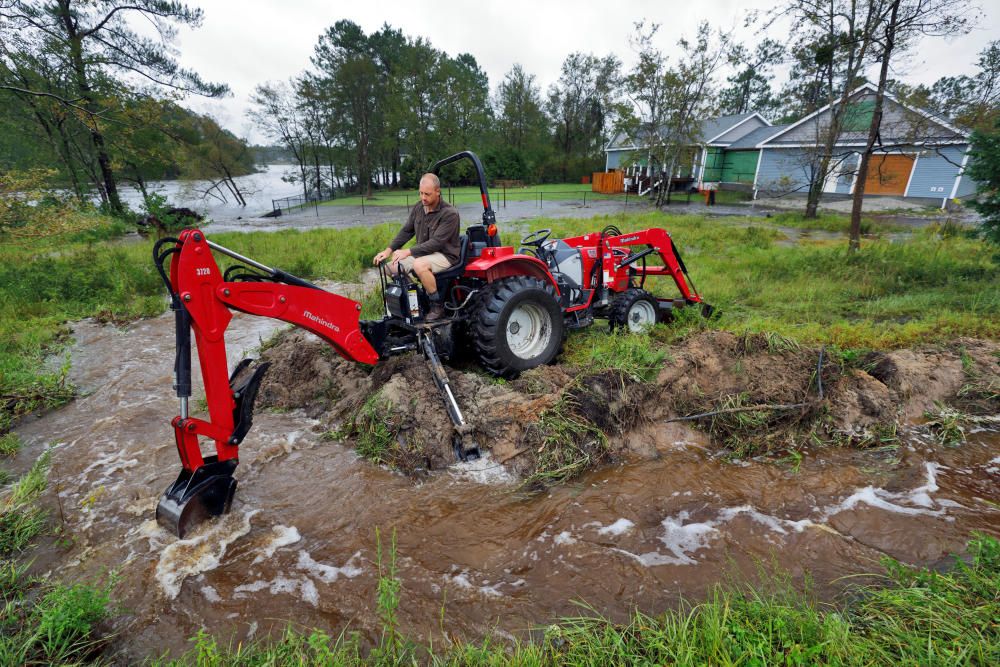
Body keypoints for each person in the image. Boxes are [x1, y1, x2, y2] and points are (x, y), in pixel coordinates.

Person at [372, 173, 461, 321]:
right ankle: (418, 299)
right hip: (424, 254)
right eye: (421, 193)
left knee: (419, 265)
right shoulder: (419, 207)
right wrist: (388, 250)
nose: (423, 197)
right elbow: (407, 230)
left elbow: (436, 243)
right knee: (390, 268)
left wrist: (408, 251)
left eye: (427, 194)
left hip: (445, 255)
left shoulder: (450, 214)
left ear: (438, 191)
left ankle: (437, 306)